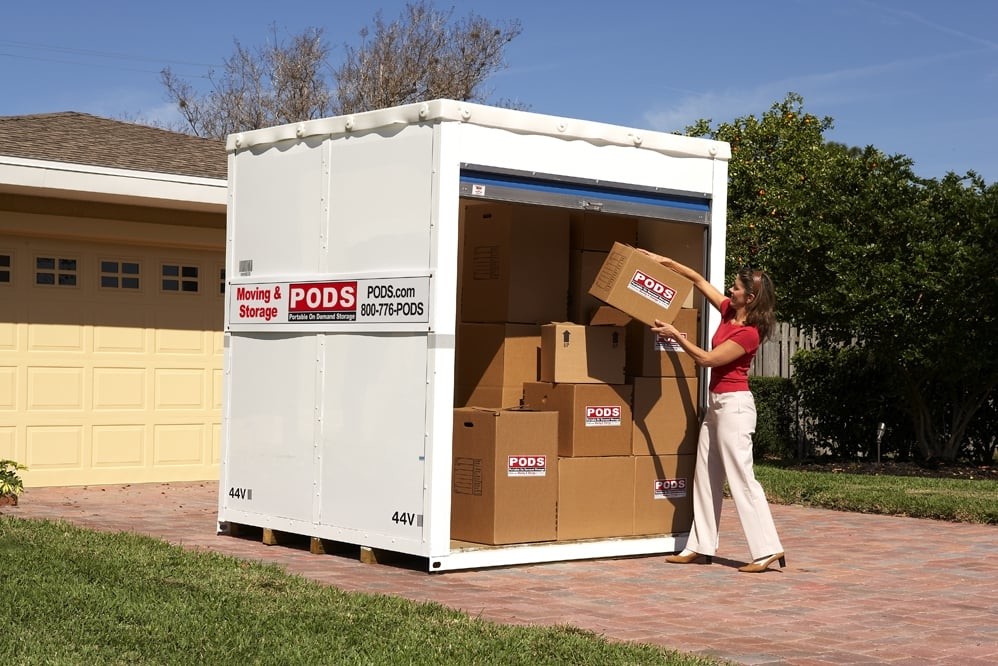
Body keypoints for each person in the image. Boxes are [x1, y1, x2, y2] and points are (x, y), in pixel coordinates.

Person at [638, 249, 786, 573]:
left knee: (742, 478)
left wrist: (676, 336)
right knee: (704, 475)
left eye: (735, 288)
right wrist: (664, 261)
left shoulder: (748, 334)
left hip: (735, 409)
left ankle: (767, 549)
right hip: (717, 407)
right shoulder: (727, 313)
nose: (729, 291)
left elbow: (707, 359)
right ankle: (700, 545)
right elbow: (698, 280)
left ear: (750, 297)